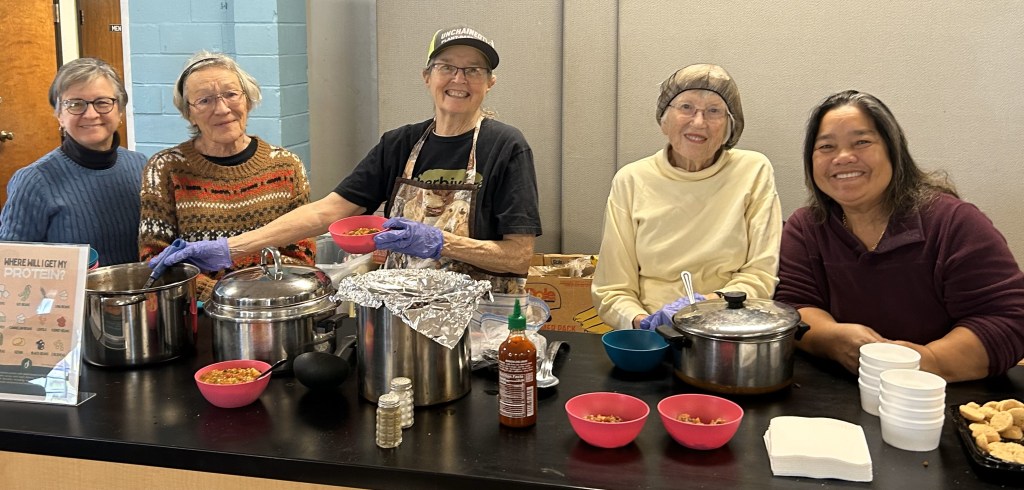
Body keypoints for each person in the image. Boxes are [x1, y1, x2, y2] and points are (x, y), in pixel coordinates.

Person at [148, 27, 541, 296]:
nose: (459, 78)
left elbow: (519, 255)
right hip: (403, 313)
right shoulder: (400, 143)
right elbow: (329, 211)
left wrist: (443, 242)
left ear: (489, 82)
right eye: (447, 67)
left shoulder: (506, 146)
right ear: (427, 76)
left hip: (483, 318)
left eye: (473, 70)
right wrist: (229, 248)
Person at [774, 89, 1024, 382]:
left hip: (946, 397)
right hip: (838, 393)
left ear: (893, 150)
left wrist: (928, 361)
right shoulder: (806, 227)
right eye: (827, 147)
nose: (843, 157)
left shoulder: (954, 222)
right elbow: (794, 306)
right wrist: (832, 339)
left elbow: (1009, 318)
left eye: (862, 142)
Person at [591, 63, 782, 331]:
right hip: (651, 334)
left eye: (714, 111)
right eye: (686, 107)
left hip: (729, 329)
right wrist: (644, 323)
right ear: (664, 120)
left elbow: (760, 275)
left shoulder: (753, 171)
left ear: (730, 124)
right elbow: (612, 289)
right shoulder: (632, 179)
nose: (699, 122)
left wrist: (705, 308)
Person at [138, 51, 315, 301]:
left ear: (248, 100)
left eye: (231, 94)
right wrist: (223, 298)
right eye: (205, 100)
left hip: (273, 312)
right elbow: (155, 259)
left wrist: (258, 297)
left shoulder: (286, 166)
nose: (221, 109)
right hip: (199, 317)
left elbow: (302, 254)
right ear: (189, 113)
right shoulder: (165, 169)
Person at [0, 58, 145, 266]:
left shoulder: (140, 166)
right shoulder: (33, 181)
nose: (91, 114)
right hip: (69, 298)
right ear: (59, 115)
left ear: (120, 110)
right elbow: (11, 268)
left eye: (102, 102)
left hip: (141, 294)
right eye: (75, 104)